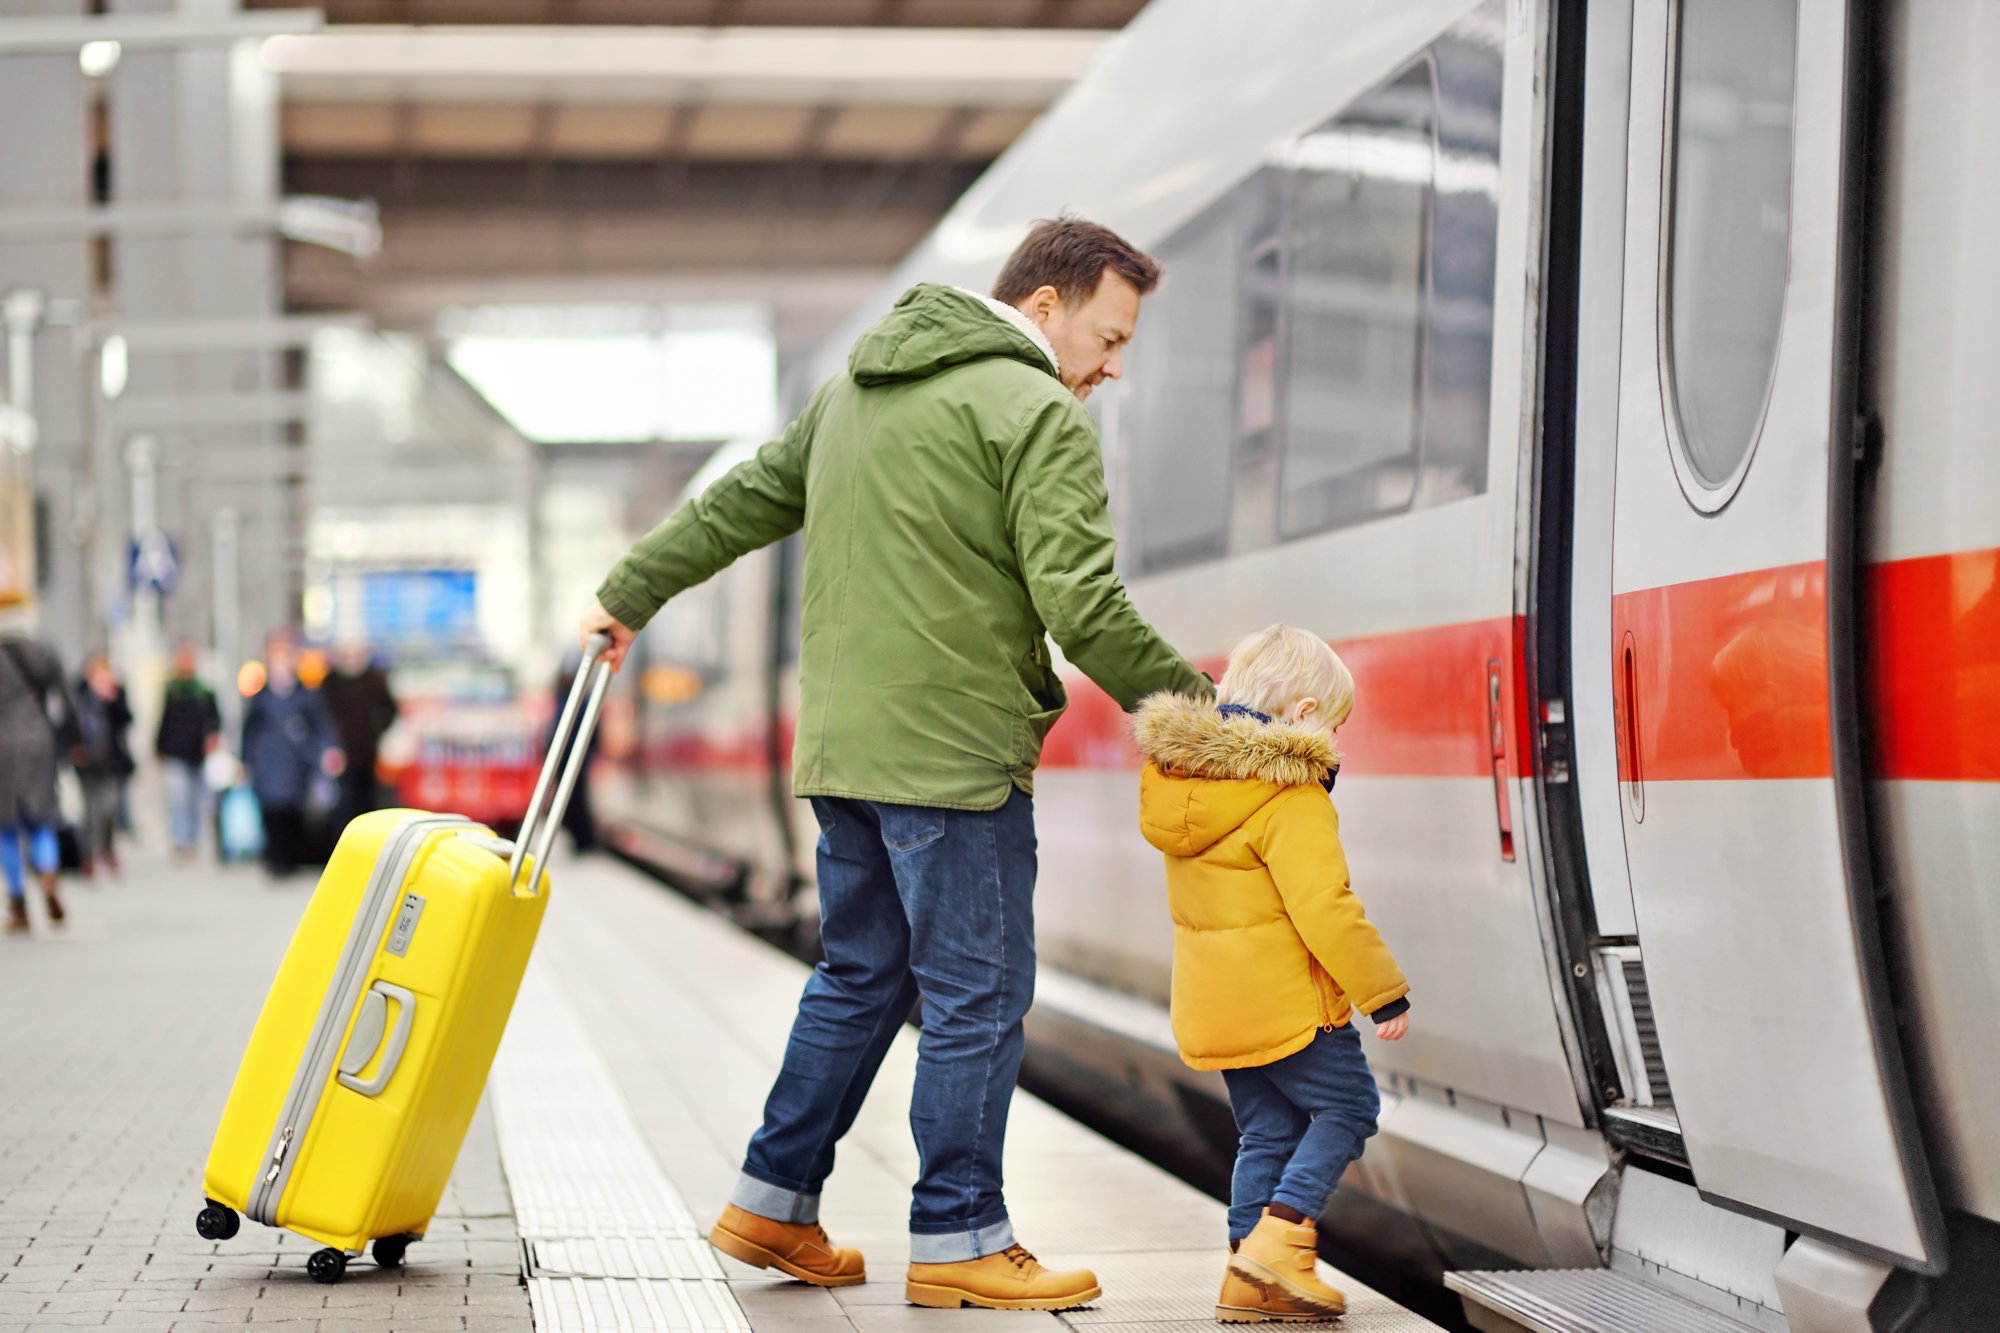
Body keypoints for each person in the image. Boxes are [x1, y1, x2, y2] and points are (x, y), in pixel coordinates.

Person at [580, 218, 1211, 1310]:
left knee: (860, 974)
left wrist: (626, 594)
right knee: (976, 994)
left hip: (840, 753)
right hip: (953, 759)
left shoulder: (847, 397)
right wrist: (1211, 721)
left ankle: (771, 1202)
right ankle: (959, 1233)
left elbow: (737, 502)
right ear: (1046, 307)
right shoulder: (1033, 415)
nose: (1112, 367)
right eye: (1107, 338)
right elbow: (1082, 606)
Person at [1132, 626, 1410, 1322]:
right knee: (1350, 1108)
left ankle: (1247, 1280)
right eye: (1337, 725)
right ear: (1304, 713)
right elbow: (1327, 908)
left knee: (1266, 1133)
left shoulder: (1188, 787)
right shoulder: (1290, 795)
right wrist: (1383, 992)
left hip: (1217, 1008)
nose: (1338, 743)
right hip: (1291, 1009)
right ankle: (1281, 1244)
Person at [240, 630, 344, 879]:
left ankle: (290, 858)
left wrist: (328, 751)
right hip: (268, 761)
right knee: (271, 810)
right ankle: (274, 858)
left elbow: (321, 726)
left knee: (292, 810)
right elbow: (249, 731)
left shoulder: (306, 695)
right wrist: (244, 760)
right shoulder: (261, 696)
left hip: (296, 761)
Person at [0, 610, 75, 932]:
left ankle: (17, 900)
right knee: (42, 818)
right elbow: (67, 698)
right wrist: (77, 738)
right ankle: (47, 875)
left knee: (5, 826)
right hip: (39, 740)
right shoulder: (44, 648)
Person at [157, 641, 222, 861]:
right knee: (178, 797)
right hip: (176, 752)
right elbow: (164, 722)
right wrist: (158, 747)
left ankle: (192, 840)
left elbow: (215, 720)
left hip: (199, 753)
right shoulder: (172, 691)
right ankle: (180, 839)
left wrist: (212, 738)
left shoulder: (205, 692)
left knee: (196, 799)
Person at [320, 643, 398, 827]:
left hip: (366, 753)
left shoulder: (373, 680)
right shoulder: (330, 682)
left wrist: (376, 728)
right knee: (342, 805)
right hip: (339, 754)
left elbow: (390, 710)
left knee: (366, 803)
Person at [72, 654, 134, 877]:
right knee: (90, 809)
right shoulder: (78, 694)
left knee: (108, 808)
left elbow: (127, 721)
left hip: (110, 760)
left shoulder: (116, 695)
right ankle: (87, 856)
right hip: (86, 760)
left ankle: (106, 850)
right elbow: (70, 723)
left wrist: (113, 700)